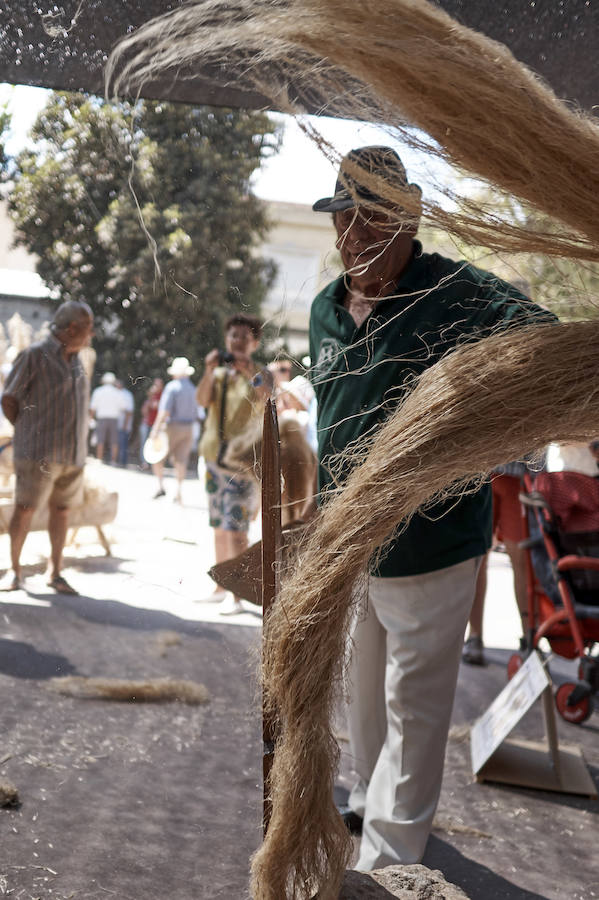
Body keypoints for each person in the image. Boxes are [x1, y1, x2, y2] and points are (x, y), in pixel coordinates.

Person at [308, 146, 555, 870]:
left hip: (432, 540)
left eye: (373, 218)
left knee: (413, 706)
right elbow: (331, 419)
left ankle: (388, 862)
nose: (356, 235)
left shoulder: (458, 294)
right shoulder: (326, 308)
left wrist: (489, 422)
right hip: (350, 544)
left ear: (408, 218)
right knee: (362, 688)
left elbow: (544, 342)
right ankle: (364, 795)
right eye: (344, 218)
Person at [0, 300, 93, 595]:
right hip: (37, 454)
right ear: (72, 328)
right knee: (25, 510)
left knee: (62, 511)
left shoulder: (79, 359)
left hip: (72, 455)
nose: (91, 334)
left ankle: (55, 571)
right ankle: (14, 572)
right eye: (88, 328)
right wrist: (30, 434)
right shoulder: (34, 356)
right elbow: (9, 399)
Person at [196, 314, 271, 614]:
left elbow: (267, 394)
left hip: (241, 463)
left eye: (243, 336)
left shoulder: (260, 373)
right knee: (218, 525)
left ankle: (236, 593)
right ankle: (220, 584)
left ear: (254, 343)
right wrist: (208, 369)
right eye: (232, 336)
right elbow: (202, 401)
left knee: (237, 528)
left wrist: (248, 370)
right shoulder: (218, 376)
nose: (236, 341)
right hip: (213, 458)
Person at [463, 461, 532, 666]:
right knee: (477, 557)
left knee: (521, 558)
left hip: (521, 473)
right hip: (482, 470)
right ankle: (475, 635)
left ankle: (529, 637)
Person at [150, 357, 197, 504]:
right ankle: (178, 492)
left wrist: (155, 429)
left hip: (172, 427)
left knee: (156, 455)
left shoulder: (172, 387)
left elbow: (164, 411)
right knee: (181, 460)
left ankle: (160, 486)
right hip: (189, 427)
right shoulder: (193, 388)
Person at [89, 372, 124, 464]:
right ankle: (113, 460)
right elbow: (122, 407)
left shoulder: (98, 391)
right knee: (114, 440)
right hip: (114, 418)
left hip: (102, 418)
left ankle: (99, 459)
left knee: (100, 438)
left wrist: (91, 418)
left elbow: (93, 407)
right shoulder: (118, 392)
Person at [139, 377, 164, 469]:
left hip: (157, 425)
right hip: (148, 423)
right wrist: (150, 396)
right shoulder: (151, 396)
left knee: (157, 444)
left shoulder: (163, 396)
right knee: (144, 443)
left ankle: (155, 463)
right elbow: (144, 411)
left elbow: (157, 407)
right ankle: (144, 462)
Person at [116, 379, 135, 467]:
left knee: (123, 444)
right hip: (118, 423)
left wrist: (125, 424)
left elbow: (129, 412)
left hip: (123, 424)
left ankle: (122, 462)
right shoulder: (118, 393)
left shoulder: (126, 395)